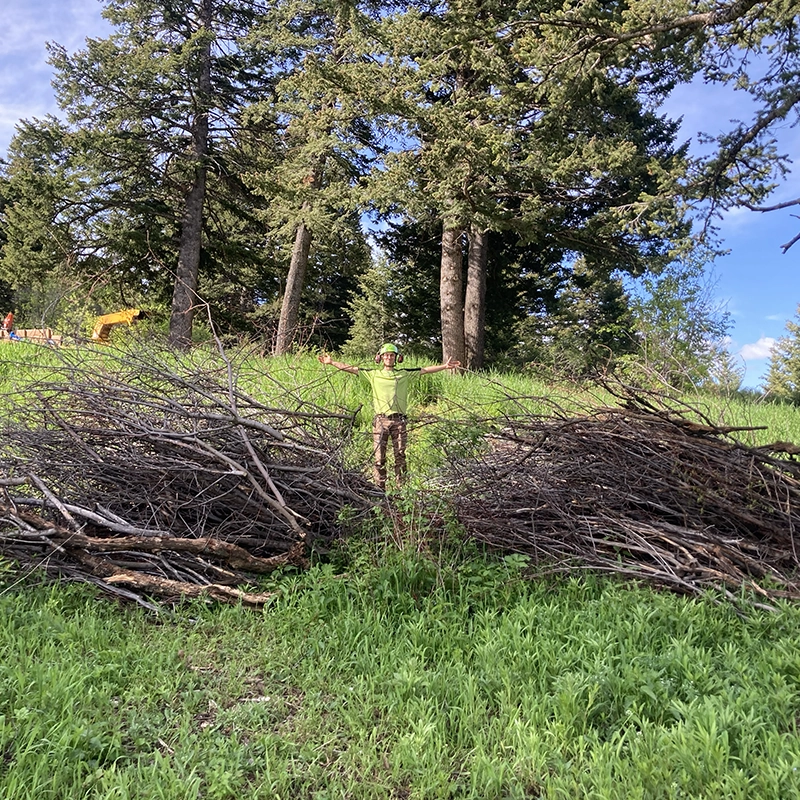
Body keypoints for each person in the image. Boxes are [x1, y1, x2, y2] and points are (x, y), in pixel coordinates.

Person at [319, 344, 460, 489]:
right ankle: (380, 490)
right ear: (380, 358)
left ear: (397, 358)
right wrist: (332, 362)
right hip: (381, 421)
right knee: (379, 458)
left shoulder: (404, 374)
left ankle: (402, 489)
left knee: (400, 456)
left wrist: (444, 366)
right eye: (386, 355)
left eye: (392, 355)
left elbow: (424, 370)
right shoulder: (373, 374)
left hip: (399, 421)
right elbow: (351, 369)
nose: (389, 357)